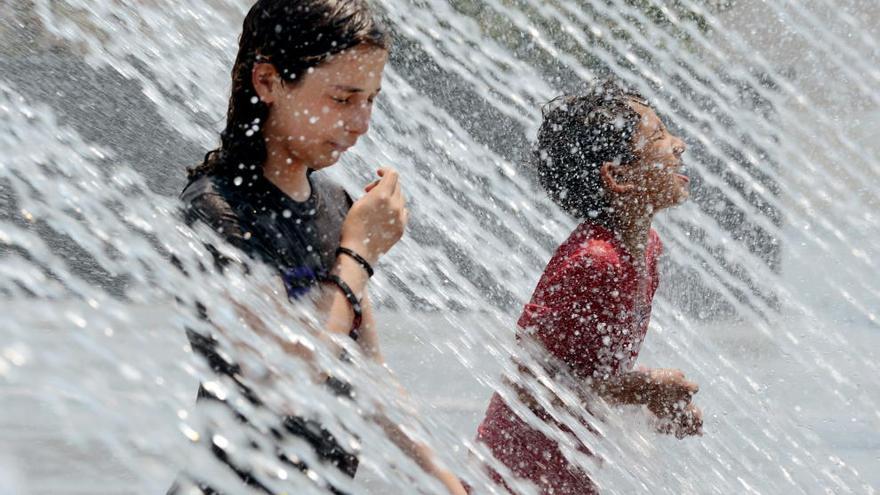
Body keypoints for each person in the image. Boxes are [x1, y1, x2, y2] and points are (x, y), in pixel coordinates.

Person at [171, 1, 466, 494]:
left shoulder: (335, 204)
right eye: (343, 98)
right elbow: (285, 380)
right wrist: (357, 253)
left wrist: (441, 479)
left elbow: (368, 374)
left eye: (371, 99)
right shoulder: (218, 210)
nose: (362, 121)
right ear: (267, 82)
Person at [475, 81, 703, 494]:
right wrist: (643, 388)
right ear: (619, 176)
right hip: (516, 475)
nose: (679, 144)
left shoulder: (646, 248)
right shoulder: (595, 262)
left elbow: (584, 375)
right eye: (659, 137)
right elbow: (531, 389)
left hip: (563, 467)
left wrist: (650, 403)